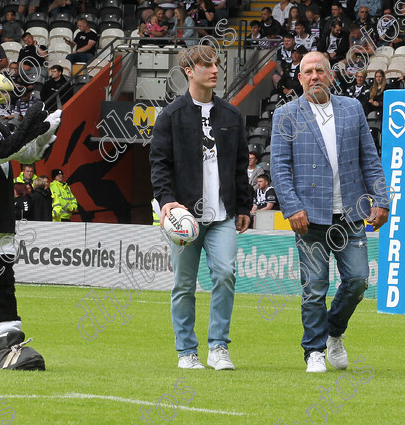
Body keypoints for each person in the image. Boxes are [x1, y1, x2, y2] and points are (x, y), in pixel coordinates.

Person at [270, 51, 389, 373]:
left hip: (350, 213)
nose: (314, 76)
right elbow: (279, 168)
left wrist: (381, 199)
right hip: (310, 217)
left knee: (358, 281)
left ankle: (334, 332)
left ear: (331, 75)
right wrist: (292, 207)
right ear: (300, 78)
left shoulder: (352, 109)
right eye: (307, 71)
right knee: (314, 289)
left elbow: (370, 158)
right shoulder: (285, 115)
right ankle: (314, 351)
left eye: (320, 70)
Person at [149, 45, 253, 371]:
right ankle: (186, 352)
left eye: (216, 64)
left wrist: (244, 206)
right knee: (183, 284)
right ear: (188, 71)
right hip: (184, 218)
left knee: (225, 274)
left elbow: (240, 166)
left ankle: (219, 347)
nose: (214, 70)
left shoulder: (232, 115)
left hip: (222, 216)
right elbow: (159, 165)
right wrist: (166, 201)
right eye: (206, 64)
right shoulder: (170, 116)